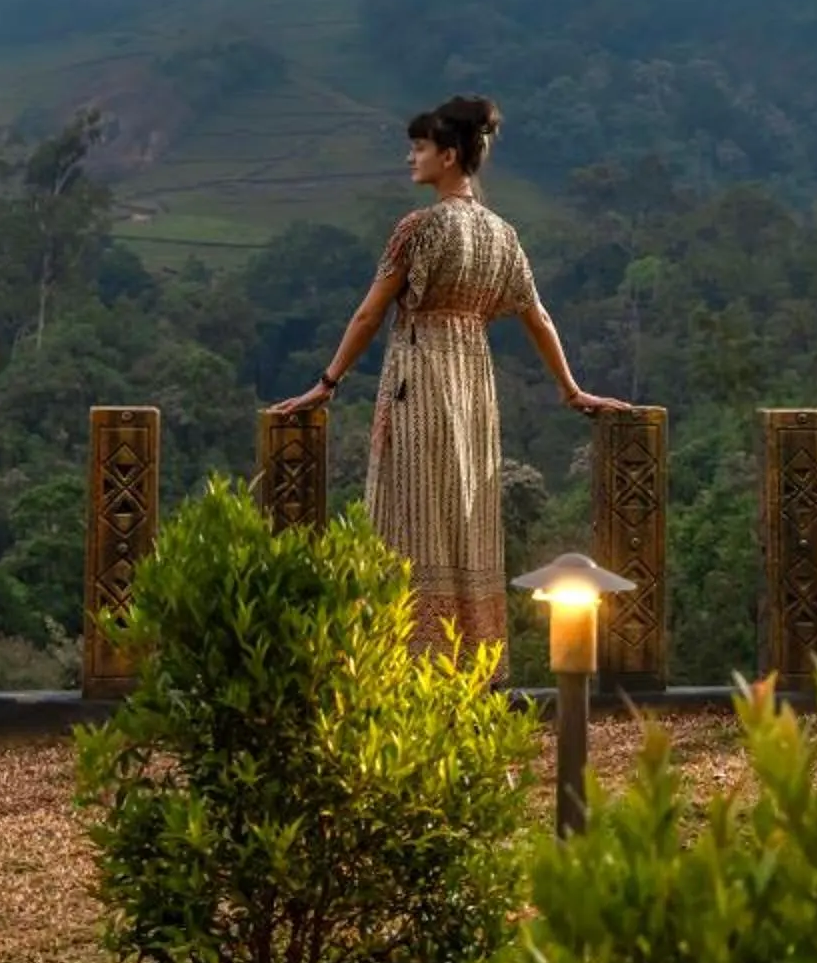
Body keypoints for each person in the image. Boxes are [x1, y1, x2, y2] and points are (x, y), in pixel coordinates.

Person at [268, 94, 628, 660]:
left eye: (420, 148)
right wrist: (570, 388)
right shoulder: (502, 236)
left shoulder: (419, 228)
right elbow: (538, 318)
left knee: (406, 513)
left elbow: (369, 314)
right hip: (473, 389)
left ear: (451, 155)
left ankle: (405, 654)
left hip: (420, 381)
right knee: (466, 514)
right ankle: (470, 656)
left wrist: (327, 382)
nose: (411, 158)